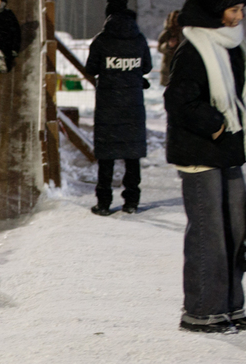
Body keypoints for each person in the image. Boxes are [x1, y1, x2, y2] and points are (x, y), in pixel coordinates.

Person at [164, 0, 246, 333]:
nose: (240, 16)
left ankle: (229, 305)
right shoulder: (195, 48)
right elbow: (179, 99)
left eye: (242, 8)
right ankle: (202, 311)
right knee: (208, 233)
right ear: (212, 11)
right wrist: (213, 124)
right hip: (199, 153)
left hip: (228, 150)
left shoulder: (232, 46)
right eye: (233, 10)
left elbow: (234, 95)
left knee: (235, 230)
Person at [85, 0, 152, 216]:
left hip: (108, 105)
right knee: (132, 155)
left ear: (108, 16)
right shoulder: (139, 39)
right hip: (132, 105)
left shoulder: (102, 40)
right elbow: (147, 67)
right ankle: (131, 201)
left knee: (107, 155)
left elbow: (91, 68)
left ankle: (103, 203)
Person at [158, 10, 183, 87]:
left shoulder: (184, 32)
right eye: (174, 17)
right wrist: (168, 45)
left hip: (181, 63)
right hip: (168, 64)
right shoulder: (167, 32)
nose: (176, 19)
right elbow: (159, 47)